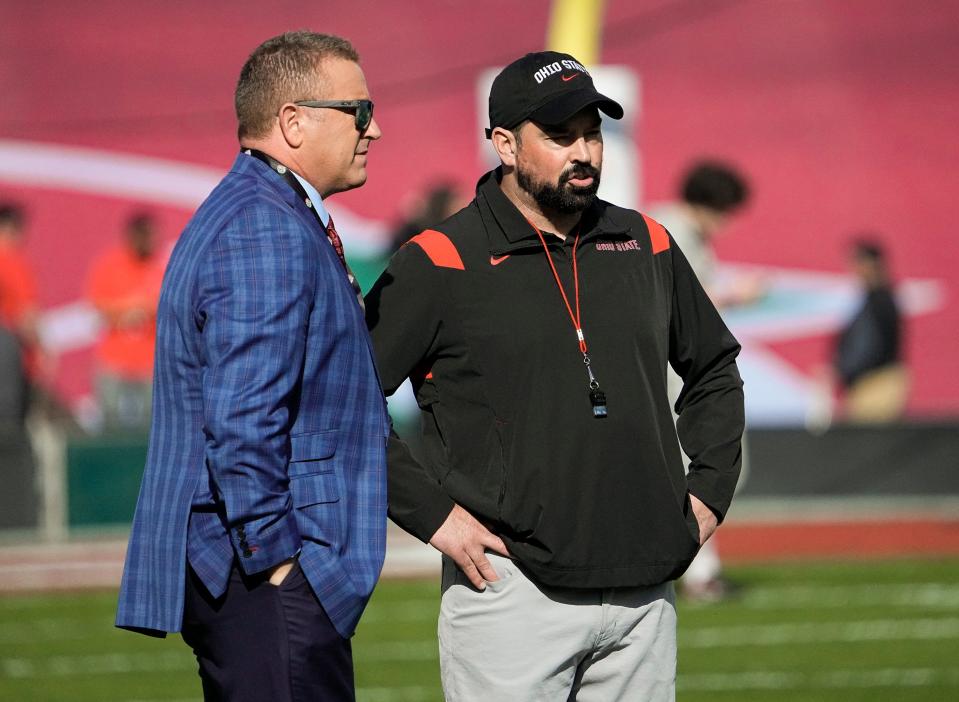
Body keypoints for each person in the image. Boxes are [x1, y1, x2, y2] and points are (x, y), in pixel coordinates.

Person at [365, 51, 744, 701]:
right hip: (509, 594)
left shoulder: (645, 242)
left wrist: (708, 491)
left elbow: (711, 368)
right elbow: (343, 401)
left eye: (592, 133)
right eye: (560, 135)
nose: (584, 152)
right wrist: (431, 516)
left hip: (644, 591)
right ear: (504, 145)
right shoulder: (437, 260)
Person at [116, 31, 388, 702]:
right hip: (264, 576)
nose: (374, 129)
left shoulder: (266, 210)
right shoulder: (263, 224)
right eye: (357, 110)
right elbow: (242, 416)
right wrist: (279, 561)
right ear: (293, 122)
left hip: (262, 575)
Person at [650, 161, 757, 601]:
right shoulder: (670, 228)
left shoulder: (682, 230)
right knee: (695, 466)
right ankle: (699, 573)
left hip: (678, 369)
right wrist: (736, 293)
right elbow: (674, 303)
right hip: (672, 372)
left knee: (690, 470)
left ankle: (697, 570)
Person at [85, 211, 163, 431]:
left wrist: (145, 307)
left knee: (152, 422)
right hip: (114, 359)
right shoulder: (110, 266)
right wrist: (130, 306)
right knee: (111, 420)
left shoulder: (159, 267)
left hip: (149, 360)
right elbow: (98, 305)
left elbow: (166, 305)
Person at [834, 238, 907, 421]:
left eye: (858, 262)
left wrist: (843, 369)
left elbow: (868, 346)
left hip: (875, 383)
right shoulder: (875, 300)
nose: (854, 269)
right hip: (869, 382)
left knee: (870, 441)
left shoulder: (879, 301)